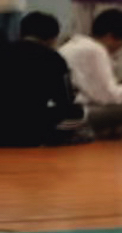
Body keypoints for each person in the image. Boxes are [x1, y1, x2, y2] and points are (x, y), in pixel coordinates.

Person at [0, 12, 87, 147]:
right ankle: (56, 137)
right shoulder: (54, 59)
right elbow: (64, 100)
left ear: (21, 32)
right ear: (53, 38)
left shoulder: (4, 51)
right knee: (77, 112)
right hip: (33, 131)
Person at [58, 8, 122, 142]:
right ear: (110, 37)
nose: (119, 49)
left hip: (64, 108)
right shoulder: (96, 50)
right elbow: (108, 97)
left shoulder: (77, 44)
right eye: (121, 44)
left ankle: (92, 130)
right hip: (70, 114)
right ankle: (82, 130)